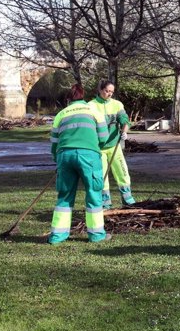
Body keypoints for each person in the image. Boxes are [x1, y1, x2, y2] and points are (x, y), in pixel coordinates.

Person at [48, 84, 110, 244]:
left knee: (65, 195)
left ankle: (57, 236)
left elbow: (54, 144)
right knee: (94, 194)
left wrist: (58, 160)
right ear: (84, 97)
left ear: (68, 99)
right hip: (88, 156)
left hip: (64, 156)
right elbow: (104, 138)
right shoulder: (93, 111)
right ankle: (96, 235)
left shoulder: (61, 114)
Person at [88, 79, 135, 209]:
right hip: (99, 148)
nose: (109, 94)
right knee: (102, 175)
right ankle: (105, 203)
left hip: (114, 145)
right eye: (107, 91)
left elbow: (124, 120)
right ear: (100, 90)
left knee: (122, 171)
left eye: (111, 92)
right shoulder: (91, 105)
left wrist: (125, 131)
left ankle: (127, 199)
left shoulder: (117, 104)